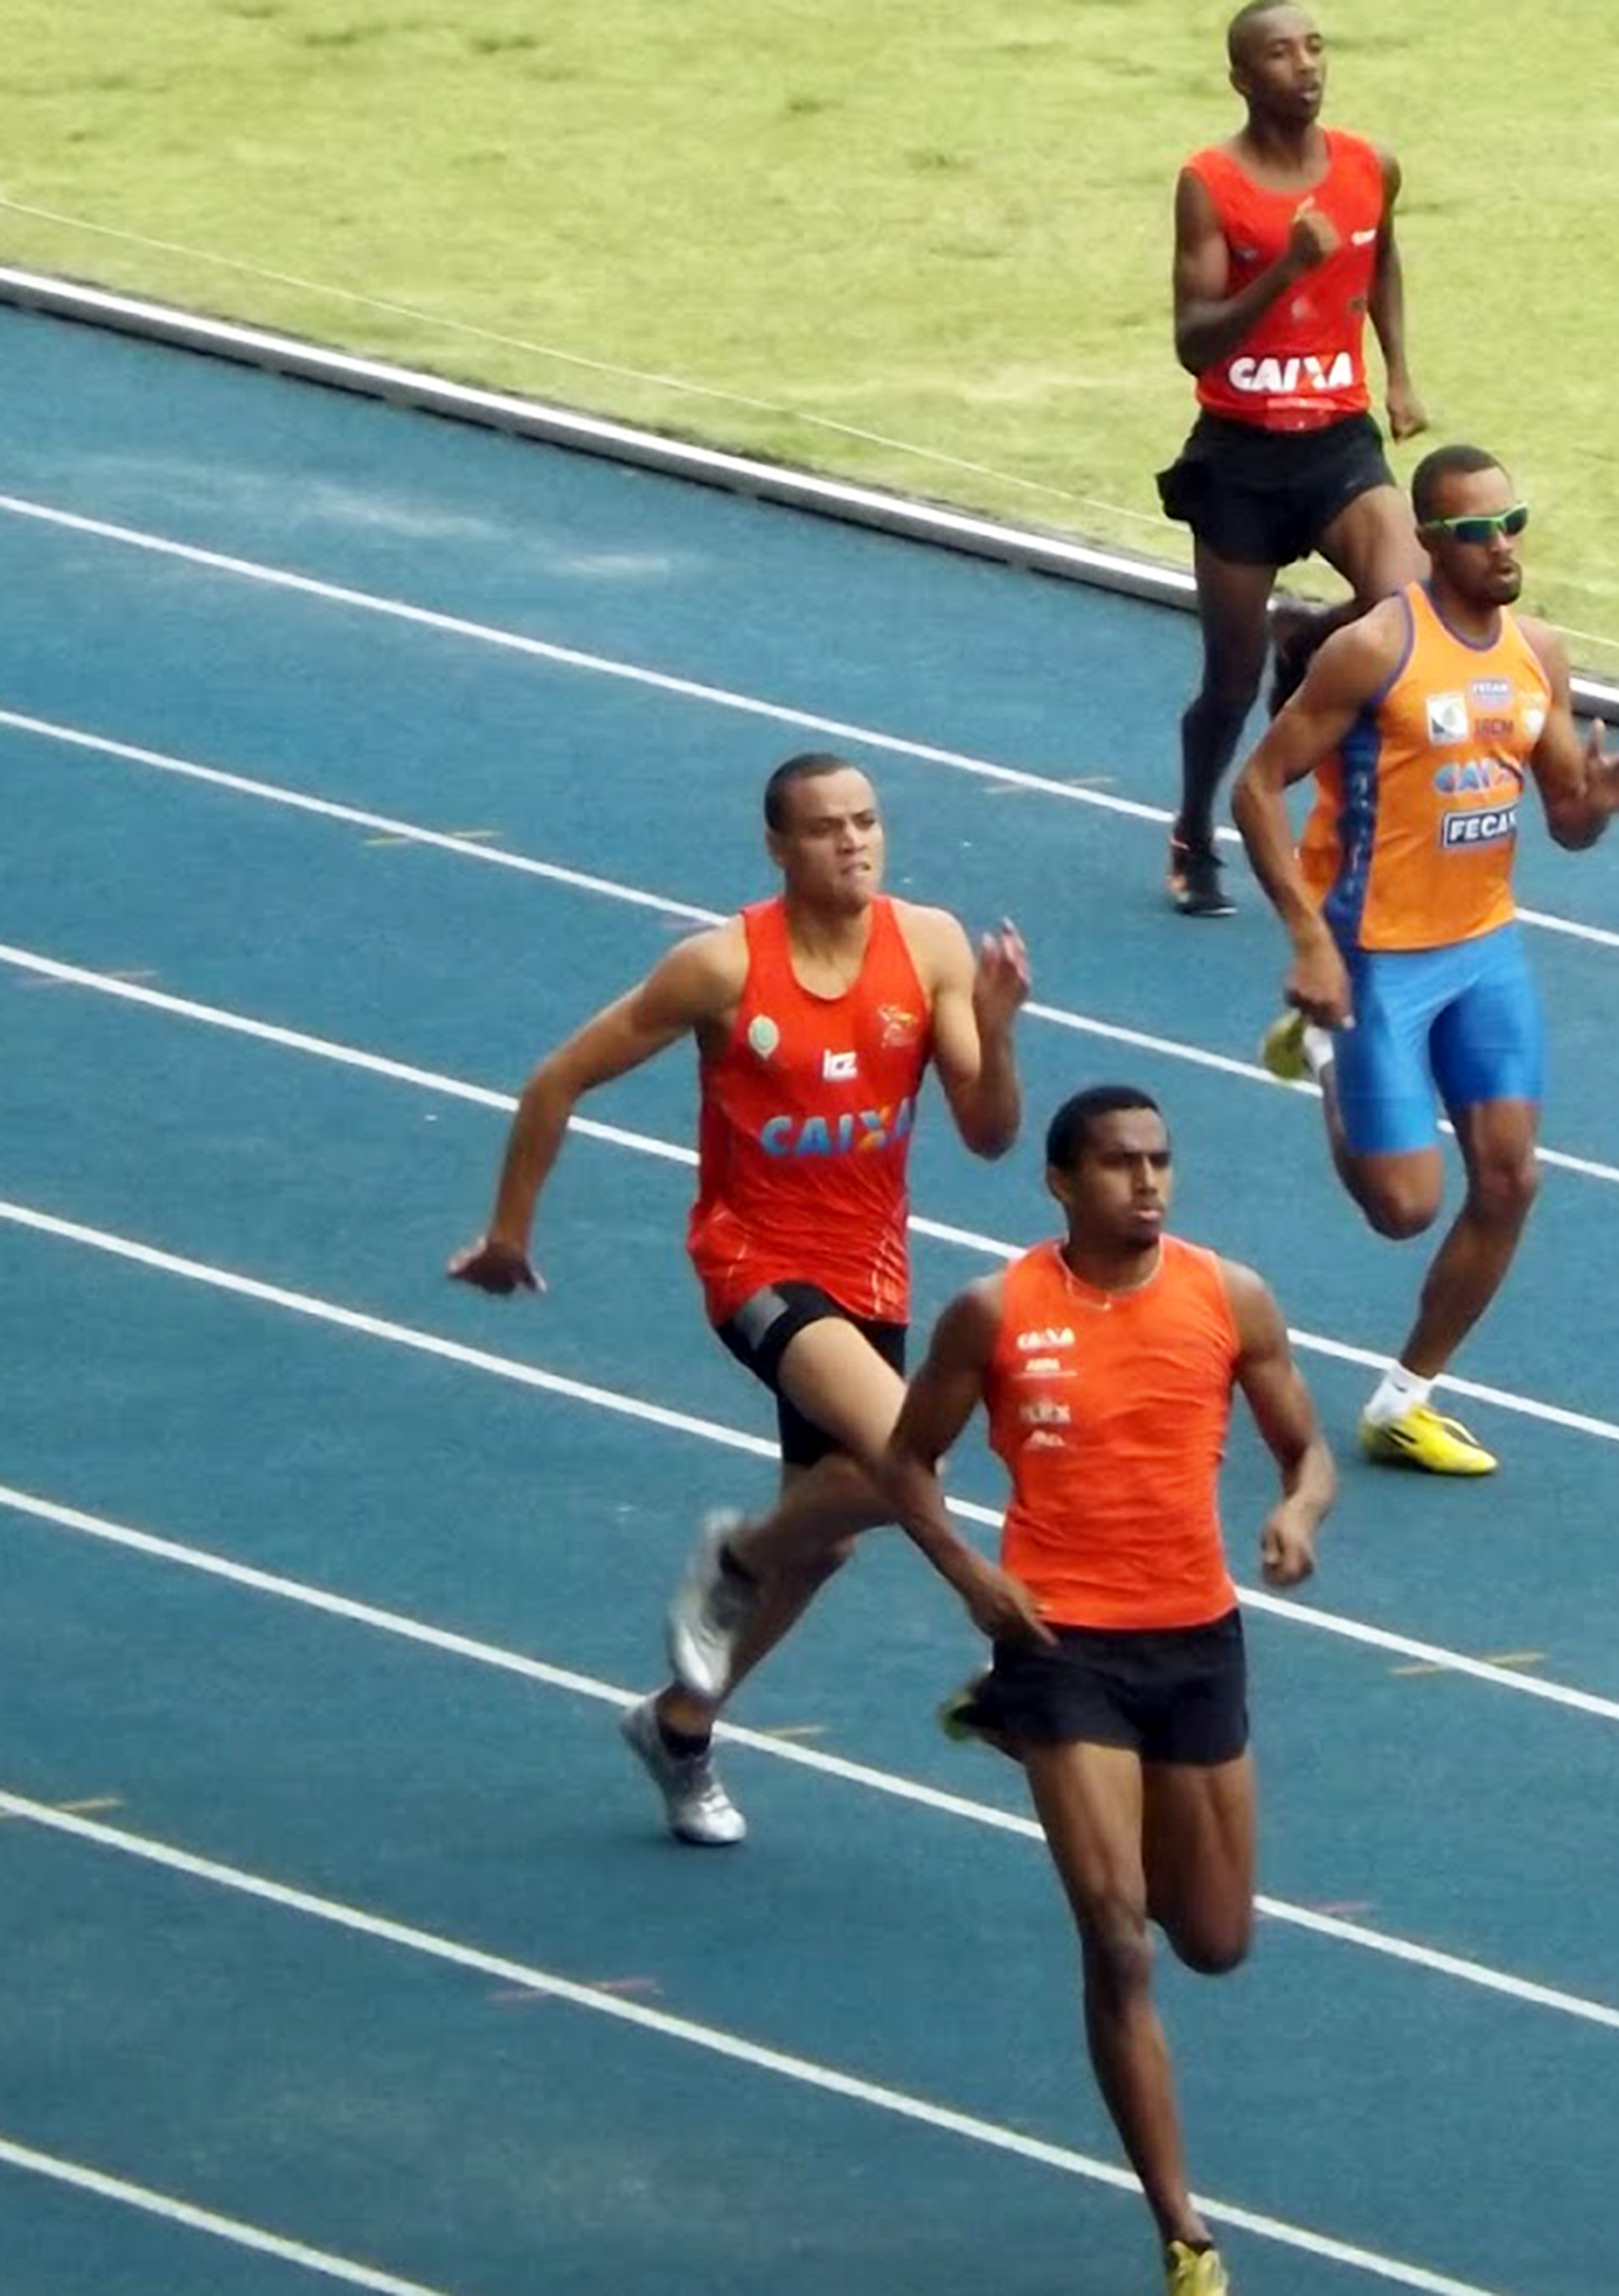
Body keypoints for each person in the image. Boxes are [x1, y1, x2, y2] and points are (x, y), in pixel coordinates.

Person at [448, 751, 1028, 1847]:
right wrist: (510, 1235)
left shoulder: (934, 946)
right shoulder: (721, 969)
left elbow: (992, 1135)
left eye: (867, 822)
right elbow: (554, 1081)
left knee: (831, 1534)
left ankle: (681, 1723)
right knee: (912, 1458)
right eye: (825, 828)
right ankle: (763, 1572)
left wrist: (996, 1033)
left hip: (871, 1269)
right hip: (754, 1262)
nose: (854, 842)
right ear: (778, 847)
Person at [878, 1084, 1333, 2296]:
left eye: (1161, 1162)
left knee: (1217, 1941)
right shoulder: (997, 1311)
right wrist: (974, 1576)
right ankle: (1185, 2231)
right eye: (1122, 1165)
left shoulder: (1227, 1297)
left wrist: (1297, 1511)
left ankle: (1009, 1722)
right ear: (1062, 1184)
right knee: (1119, 1940)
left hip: (1195, 1641)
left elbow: (1310, 1447)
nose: (1148, 1183)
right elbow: (904, 1459)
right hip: (1062, 1639)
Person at [1226, 444, 1619, 1476]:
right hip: (1376, 957)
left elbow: (1566, 822)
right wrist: (1310, 940)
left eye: (1513, 525)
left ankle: (1405, 1399)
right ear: (1429, 542)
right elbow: (1256, 788)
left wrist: (1596, 803)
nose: (1501, 548)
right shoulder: (1375, 651)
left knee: (1511, 1181)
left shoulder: (1537, 653)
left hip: (1484, 947)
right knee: (1403, 1207)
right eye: (1475, 533)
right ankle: (1320, 1052)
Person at [1158, 0, 1431, 920]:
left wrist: (1398, 374)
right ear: (1242, 77)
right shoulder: (1209, 183)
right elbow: (1194, 342)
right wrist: (1282, 269)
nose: (1305, 66)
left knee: (1410, 609)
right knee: (1229, 684)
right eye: (1279, 53)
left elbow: (1381, 257)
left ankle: (1310, 640)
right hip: (1239, 455)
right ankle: (1196, 825)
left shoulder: (1368, 166)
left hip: (1337, 444)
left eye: (1316, 47)